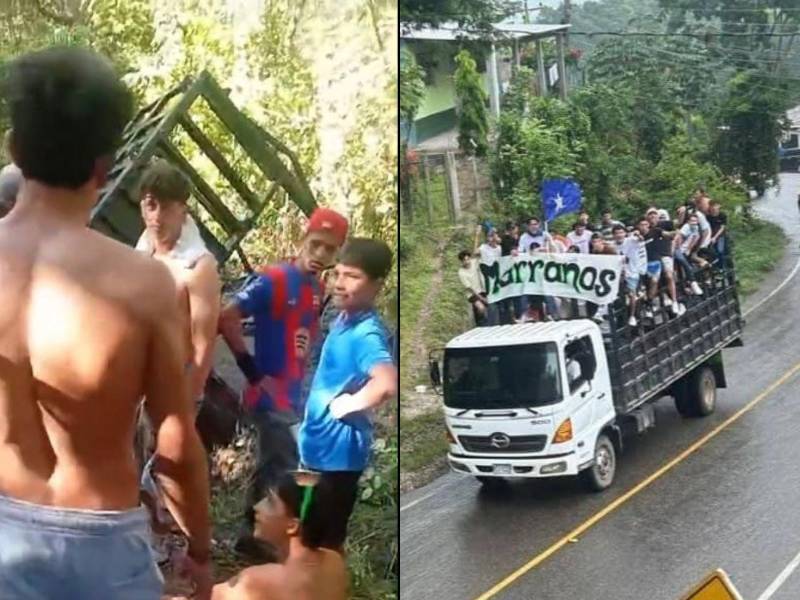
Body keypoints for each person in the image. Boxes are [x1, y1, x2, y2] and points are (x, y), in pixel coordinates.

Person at [0, 47, 211, 598]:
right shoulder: (142, 283)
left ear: (14, 148)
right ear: (103, 167)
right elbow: (174, 441)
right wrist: (201, 549)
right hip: (101, 545)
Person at [219, 206, 348, 559]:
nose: (321, 254)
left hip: (291, 396)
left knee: (272, 465)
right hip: (267, 396)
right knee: (287, 466)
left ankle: (251, 539)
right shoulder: (276, 278)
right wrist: (256, 376)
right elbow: (227, 318)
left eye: (330, 249)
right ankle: (265, 545)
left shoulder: (314, 288)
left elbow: (309, 325)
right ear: (303, 239)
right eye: (317, 244)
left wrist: (308, 346)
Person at [298, 239, 397, 548]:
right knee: (307, 539)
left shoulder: (365, 333)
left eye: (352, 276)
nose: (340, 284)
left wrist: (350, 404)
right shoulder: (344, 320)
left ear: (377, 285)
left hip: (336, 459)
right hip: (319, 451)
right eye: (337, 274)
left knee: (321, 546)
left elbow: (386, 382)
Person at [179, 474, 347, 600]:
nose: (258, 507)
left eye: (271, 503)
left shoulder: (257, 581)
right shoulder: (334, 562)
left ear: (293, 526)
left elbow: (207, 596)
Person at [639, 213, 684, 317]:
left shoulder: (657, 230)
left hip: (663, 255)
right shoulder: (639, 236)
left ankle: (674, 301)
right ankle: (651, 303)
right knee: (653, 280)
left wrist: (676, 234)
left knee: (669, 275)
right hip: (650, 261)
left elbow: (668, 233)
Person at [612, 224, 647, 327]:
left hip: (632, 272)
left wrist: (638, 234)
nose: (619, 235)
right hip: (618, 274)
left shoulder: (631, 240)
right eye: (616, 233)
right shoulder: (611, 246)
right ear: (613, 235)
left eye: (621, 232)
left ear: (625, 233)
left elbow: (640, 240)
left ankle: (632, 316)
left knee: (632, 294)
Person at [674, 213, 707, 296]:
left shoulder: (696, 228)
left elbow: (695, 238)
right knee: (684, 264)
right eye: (692, 221)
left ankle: (688, 285)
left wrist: (689, 249)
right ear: (688, 221)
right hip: (678, 249)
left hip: (686, 251)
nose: (694, 222)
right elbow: (679, 238)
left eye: (695, 221)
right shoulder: (686, 227)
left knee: (684, 268)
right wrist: (679, 248)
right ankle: (693, 282)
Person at [458, 250, 489, 326]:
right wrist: (482, 298)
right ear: (462, 261)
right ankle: (480, 323)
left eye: (468, 259)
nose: (467, 262)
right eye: (464, 260)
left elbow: (482, 256)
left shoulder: (474, 262)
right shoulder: (461, 272)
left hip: (482, 289)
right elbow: (469, 288)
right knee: (481, 307)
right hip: (472, 294)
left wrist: (478, 253)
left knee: (487, 308)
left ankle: (483, 321)